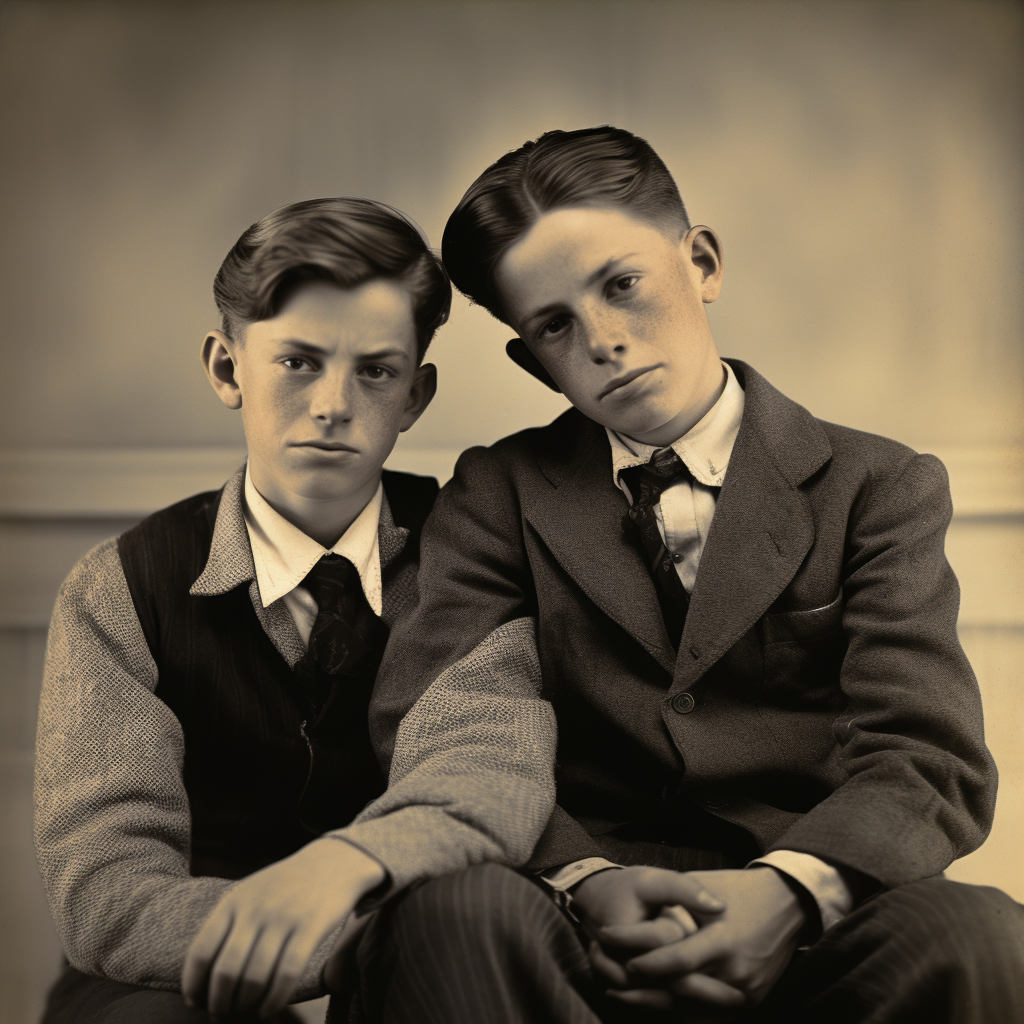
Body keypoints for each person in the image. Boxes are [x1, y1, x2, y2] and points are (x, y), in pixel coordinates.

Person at [348, 128, 1024, 1023]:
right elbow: (439, 724)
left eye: (621, 285)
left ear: (700, 260)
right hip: (572, 931)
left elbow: (926, 754)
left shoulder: (881, 487)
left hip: (808, 929)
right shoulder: (496, 495)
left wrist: (788, 893)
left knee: (981, 933)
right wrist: (586, 879)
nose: (604, 341)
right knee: (450, 913)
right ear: (530, 359)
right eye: (554, 325)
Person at [34, 197, 557, 1023]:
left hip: (414, 948)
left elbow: (489, 774)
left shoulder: (470, 546)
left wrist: (373, 923)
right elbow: (109, 890)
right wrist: (313, 949)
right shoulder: (120, 587)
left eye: (375, 371)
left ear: (416, 395)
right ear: (226, 368)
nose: (333, 404)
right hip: (182, 975)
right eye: (298, 363)